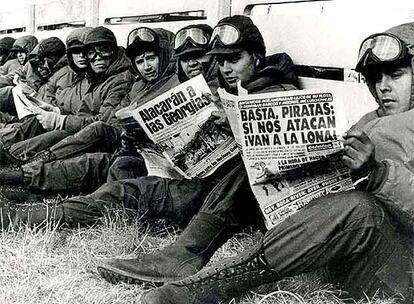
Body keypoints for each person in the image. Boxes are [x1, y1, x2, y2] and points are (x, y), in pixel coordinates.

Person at [103, 21, 414, 303]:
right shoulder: (369, 119)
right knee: (255, 163)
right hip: (341, 249)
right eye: (375, 77)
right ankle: (186, 253)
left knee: (360, 209)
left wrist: (376, 175)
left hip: (397, 270)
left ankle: (204, 288)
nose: (383, 86)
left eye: (396, 75)